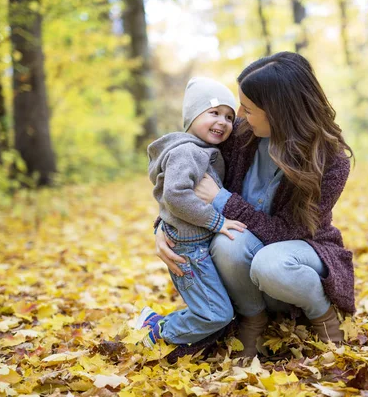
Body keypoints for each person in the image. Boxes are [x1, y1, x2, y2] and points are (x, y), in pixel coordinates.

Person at [156, 52, 356, 358]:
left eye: (248, 109)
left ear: (278, 111)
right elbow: (182, 176)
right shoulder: (242, 135)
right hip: (247, 267)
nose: (238, 116)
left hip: (300, 253)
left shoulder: (331, 162)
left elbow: (288, 231)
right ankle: (254, 319)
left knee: (270, 263)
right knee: (228, 243)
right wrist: (162, 228)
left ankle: (322, 315)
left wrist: (223, 200)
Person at [135, 77, 247, 349]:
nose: (222, 122)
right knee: (216, 314)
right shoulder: (188, 151)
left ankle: (163, 324)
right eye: (213, 113)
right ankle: (158, 330)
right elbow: (175, 194)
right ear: (192, 116)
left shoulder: (203, 150)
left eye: (229, 117)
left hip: (198, 244)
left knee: (215, 307)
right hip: (189, 250)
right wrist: (216, 221)